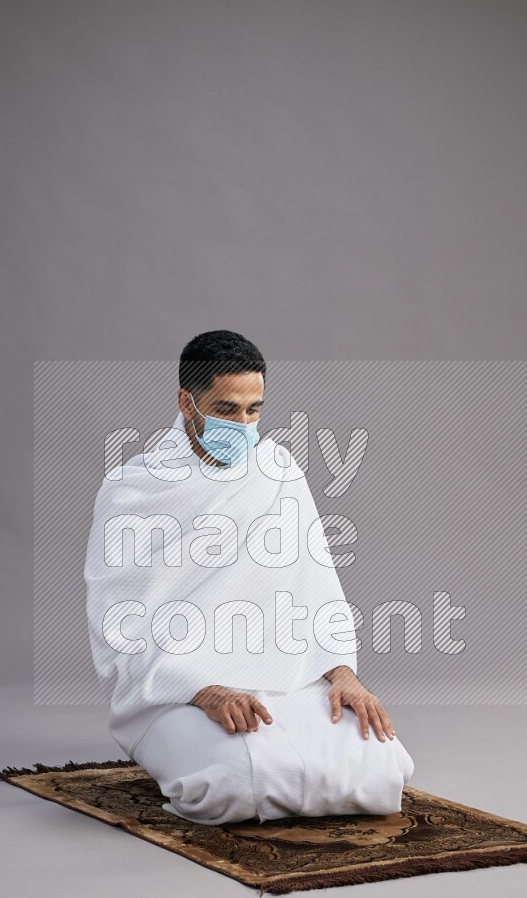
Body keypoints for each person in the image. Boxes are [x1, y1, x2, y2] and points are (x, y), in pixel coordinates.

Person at [83, 330, 414, 824]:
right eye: (225, 409)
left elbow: (318, 583)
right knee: (234, 781)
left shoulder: (278, 471)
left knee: (381, 767)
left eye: (254, 410)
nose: (243, 424)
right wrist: (201, 688)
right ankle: (191, 739)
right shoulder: (134, 489)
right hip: (173, 688)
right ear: (186, 401)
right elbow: (119, 622)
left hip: (287, 679)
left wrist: (343, 673)